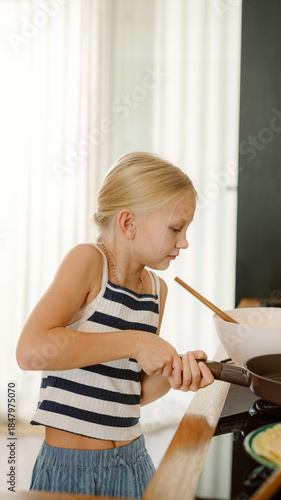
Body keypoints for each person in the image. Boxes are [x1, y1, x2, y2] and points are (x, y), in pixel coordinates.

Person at [16, 151, 214, 498]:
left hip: (134, 462)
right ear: (128, 223)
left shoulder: (156, 291)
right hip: (70, 468)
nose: (184, 241)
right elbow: (32, 351)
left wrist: (171, 376)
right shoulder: (88, 262)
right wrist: (136, 342)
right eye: (176, 228)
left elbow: (129, 393)